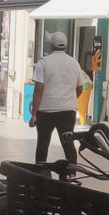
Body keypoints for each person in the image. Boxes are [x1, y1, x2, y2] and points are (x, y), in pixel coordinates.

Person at [29, 31, 86, 165]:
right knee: (68, 143)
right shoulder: (74, 63)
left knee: (43, 143)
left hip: (46, 110)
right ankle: (72, 173)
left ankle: (40, 172)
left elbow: (38, 89)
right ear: (65, 45)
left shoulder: (43, 63)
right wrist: (68, 99)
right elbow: (80, 88)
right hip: (67, 110)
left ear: (51, 46)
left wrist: (33, 114)